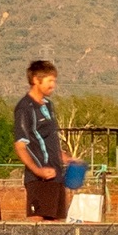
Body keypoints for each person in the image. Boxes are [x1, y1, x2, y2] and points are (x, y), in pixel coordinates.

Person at [14, 58, 71, 221]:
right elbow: (20, 146)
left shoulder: (48, 105)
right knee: (36, 226)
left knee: (55, 227)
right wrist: (38, 171)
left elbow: (46, 140)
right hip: (39, 179)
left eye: (54, 80)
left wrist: (64, 157)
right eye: (49, 81)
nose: (53, 85)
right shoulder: (25, 107)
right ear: (35, 81)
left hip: (56, 177)